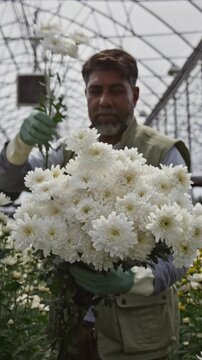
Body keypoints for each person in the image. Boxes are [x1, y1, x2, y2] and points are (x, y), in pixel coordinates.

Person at [0, 49, 191, 360]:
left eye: (116, 90)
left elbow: (184, 247)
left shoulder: (162, 154)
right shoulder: (68, 152)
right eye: (95, 90)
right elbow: (8, 183)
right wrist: (20, 144)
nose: (104, 101)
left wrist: (135, 280)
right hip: (74, 331)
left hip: (136, 339)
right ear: (86, 95)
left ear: (135, 95)